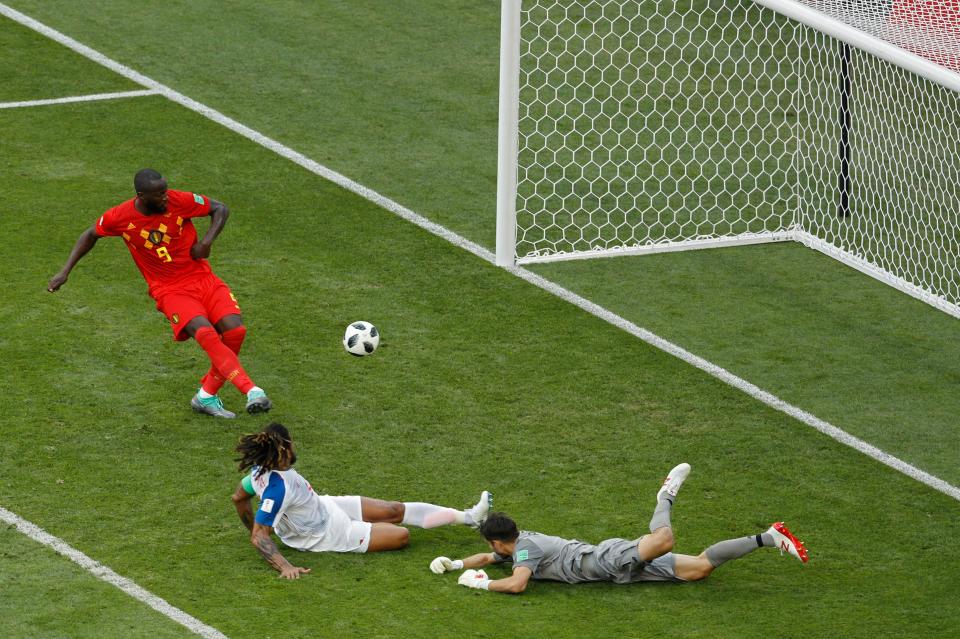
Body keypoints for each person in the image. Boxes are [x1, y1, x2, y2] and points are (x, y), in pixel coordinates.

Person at [47, 168, 269, 418]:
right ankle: (251, 391)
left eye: (166, 190)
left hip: (203, 278)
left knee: (235, 331)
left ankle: (205, 396)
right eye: (160, 194)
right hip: (170, 289)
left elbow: (220, 208)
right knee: (205, 333)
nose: (166, 197)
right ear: (142, 196)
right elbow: (90, 235)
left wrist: (206, 242)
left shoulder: (178, 200)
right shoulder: (119, 217)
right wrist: (64, 272)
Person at [429, 463, 808, 593]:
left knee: (664, 538)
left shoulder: (526, 552)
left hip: (605, 560)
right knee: (700, 569)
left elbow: (516, 584)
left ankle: (666, 494)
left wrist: (482, 585)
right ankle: (769, 536)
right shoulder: (515, 545)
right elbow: (489, 557)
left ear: (499, 538)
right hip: (616, 573)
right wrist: (457, 564)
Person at [231, 422, 493, 579]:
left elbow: (239, 498)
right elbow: (259, 537)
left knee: (394, 509)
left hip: (325, 506)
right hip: (327, 534)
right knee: (401, 535)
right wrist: (285, 566)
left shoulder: (261, 472)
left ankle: (470, 517)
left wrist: (260, 525)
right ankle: (467, 518)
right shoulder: (278, 489)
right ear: (286, 447)